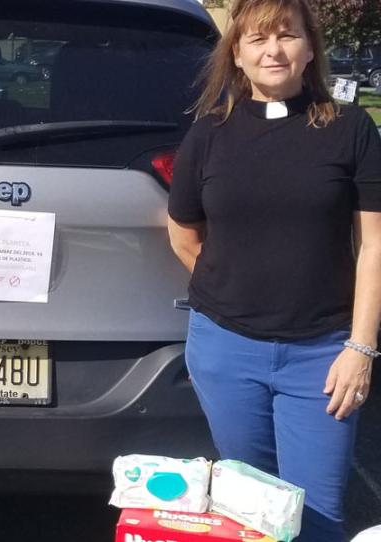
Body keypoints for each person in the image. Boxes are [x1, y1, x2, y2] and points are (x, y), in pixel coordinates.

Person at [167, 0, 381, 540]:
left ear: (310, 49)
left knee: (319, 512)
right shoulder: (208, 135)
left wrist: (360, 348)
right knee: (250, 505)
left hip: (323, 355)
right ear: (236, 54)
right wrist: (235, 288)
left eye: (287, 36)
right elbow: (183, 235)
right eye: (257, 39)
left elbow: (375, 245)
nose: (273, 50)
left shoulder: (352, 130)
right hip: (226, 350)